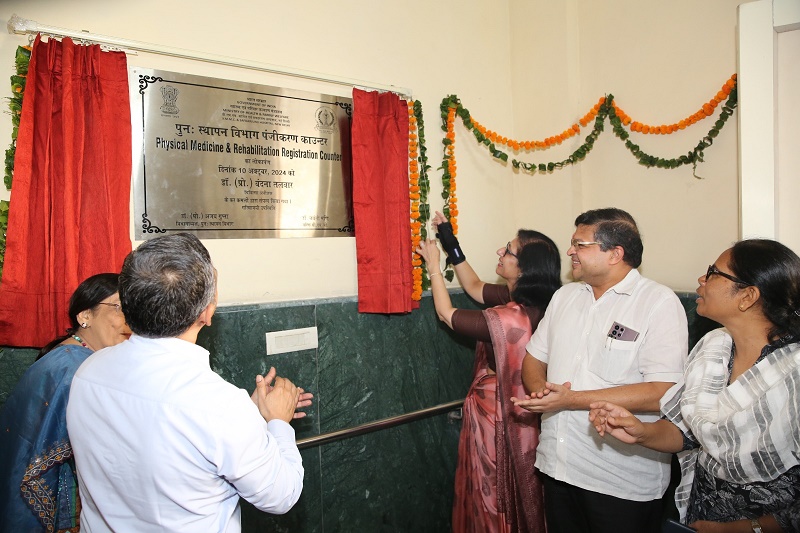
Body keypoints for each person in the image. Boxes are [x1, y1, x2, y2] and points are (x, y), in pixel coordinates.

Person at [67, 233, 308, 532]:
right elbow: (280, 495)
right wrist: (278, 423)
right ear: (206, 313)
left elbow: (162, 439)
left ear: (127, 307)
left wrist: (250, 414)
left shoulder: (88, 372)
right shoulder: (218, 407)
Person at [589, 239, 800, 533]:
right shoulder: (713, 347)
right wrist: (641, 431)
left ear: (748, 296)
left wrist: (745, 528)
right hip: (699, 517)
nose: (702, 279)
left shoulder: (793, 372)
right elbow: (686, 433)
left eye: (713, 272)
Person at [511, 207, 688, 533]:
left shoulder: (657, 303)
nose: (570, 252)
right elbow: (534, 358)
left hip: (620, 480)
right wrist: (542, 393)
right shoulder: (565, 296)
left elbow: (664, 391)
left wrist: (569, 399)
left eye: (580, 244)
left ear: (614, 253)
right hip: (558, 467)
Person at [416, 211, 561, 532]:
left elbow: (446, 314)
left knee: (493, 491)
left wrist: (433, 267)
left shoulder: (512, 318)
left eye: (508, 251)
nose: (500, 252)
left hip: (499, 418)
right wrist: (449, 239)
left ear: (524, 267)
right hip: (527, 417)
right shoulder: (540, 301)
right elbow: (474, 286)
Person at [0, 273, 130, 532]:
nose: (129, 320)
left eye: (133, 309)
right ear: (85, 316)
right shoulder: (72, 368)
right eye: (119, 308)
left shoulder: (75, 357)